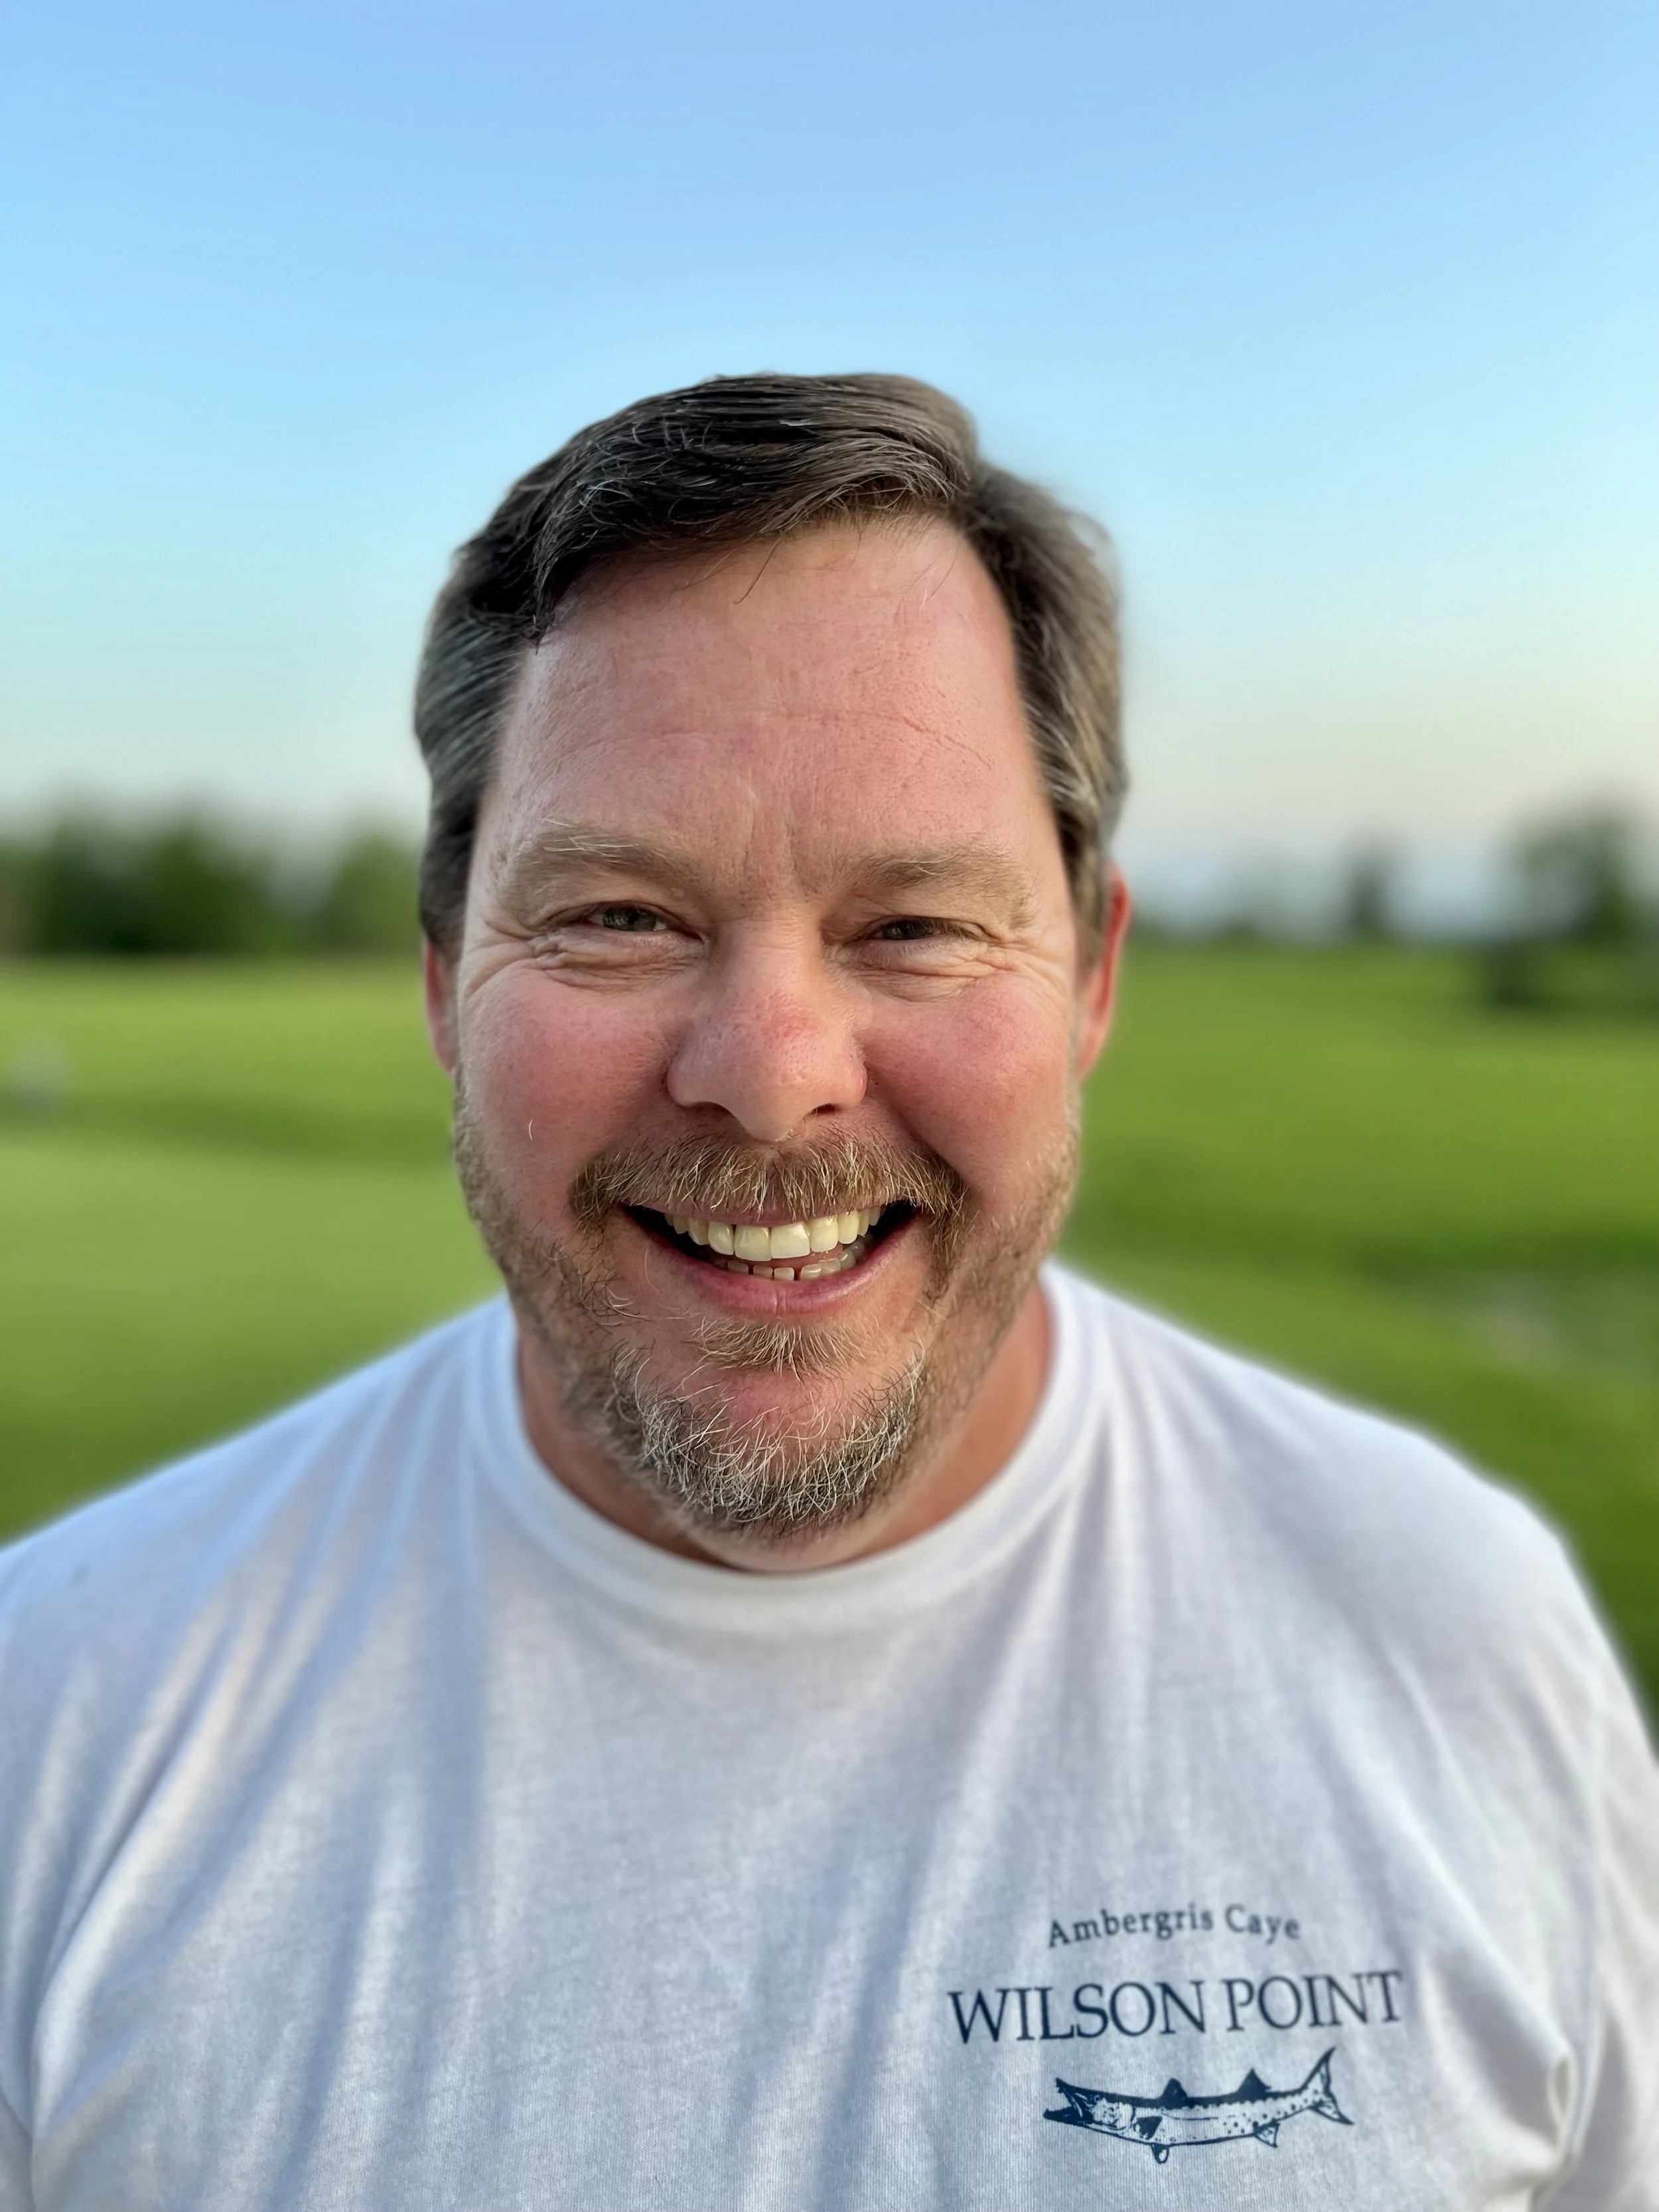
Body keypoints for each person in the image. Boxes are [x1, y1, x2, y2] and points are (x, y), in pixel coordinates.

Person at [0, 374, 1653, 2211]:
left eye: (915, 923)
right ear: (442, 980)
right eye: (618, 913)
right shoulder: (61, 1711)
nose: (770, 1067)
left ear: (1090, 978)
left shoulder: (1456, 1636)